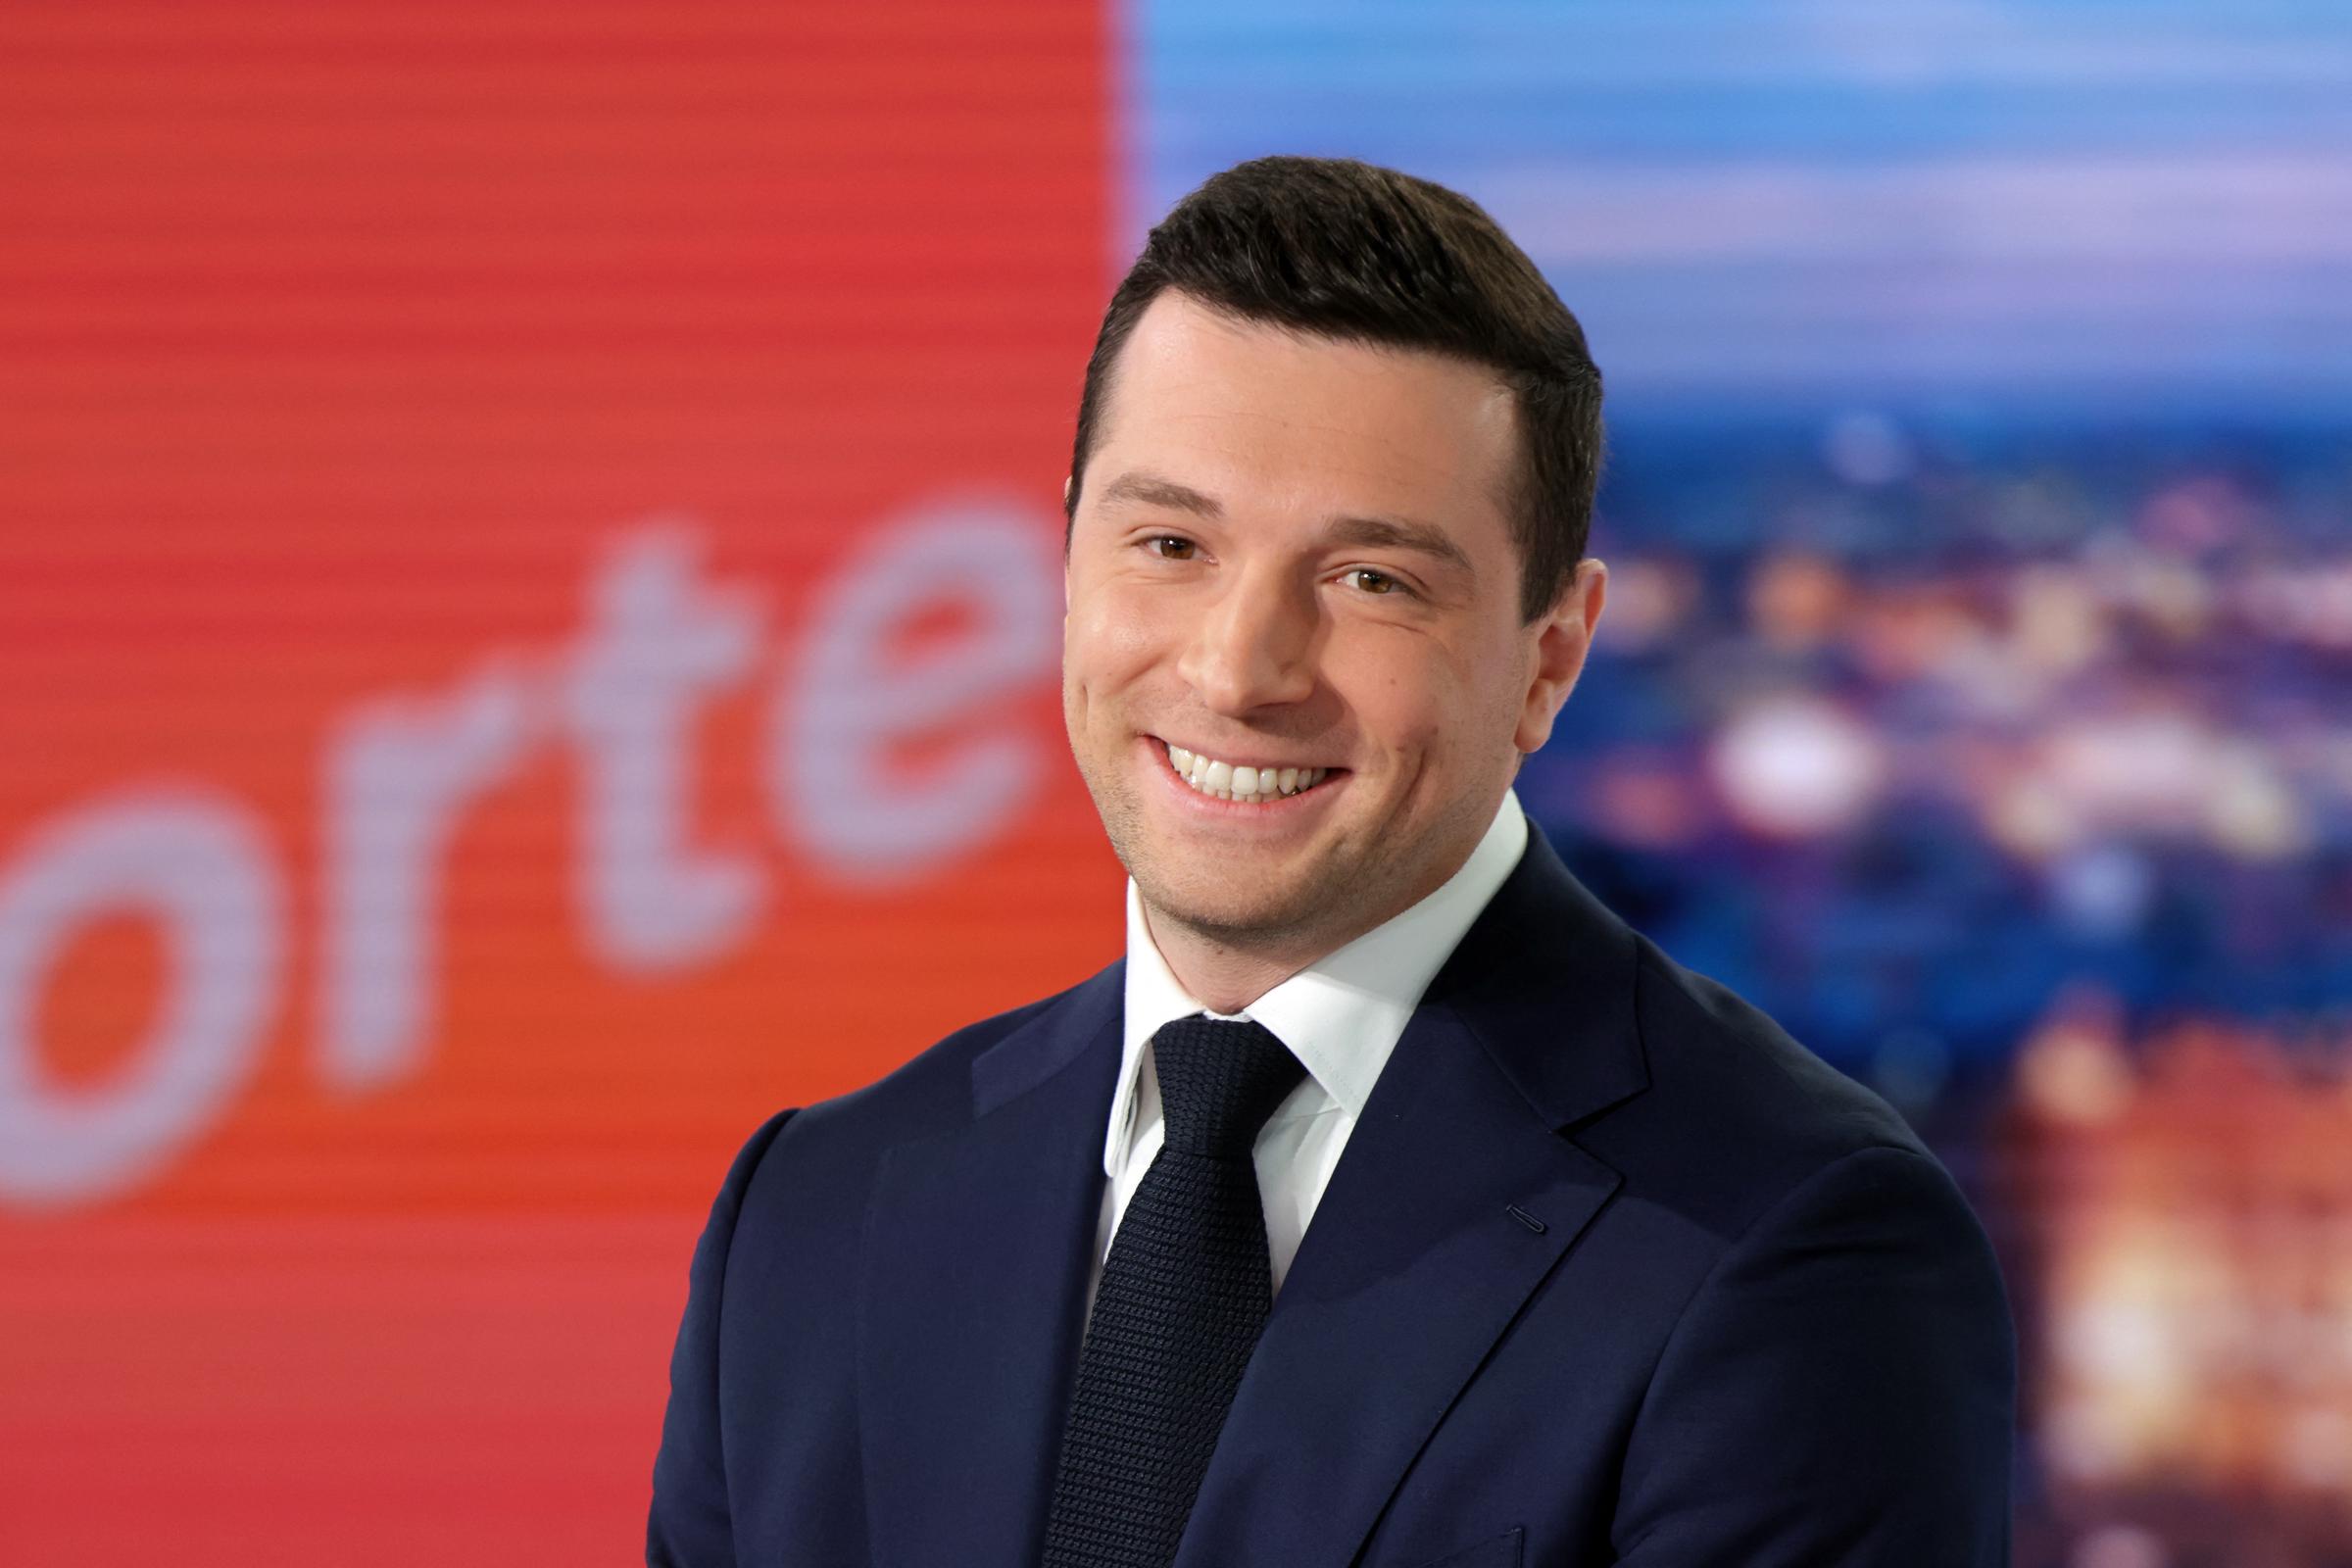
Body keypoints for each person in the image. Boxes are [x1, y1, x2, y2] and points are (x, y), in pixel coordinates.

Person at [648, 156, 2015, 1568]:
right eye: (1170, 542)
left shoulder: (1790, 1245)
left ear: (1551, 656)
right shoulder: (812, 1215)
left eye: (1372, 580)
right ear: (1066, 555)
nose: (1240, 669)